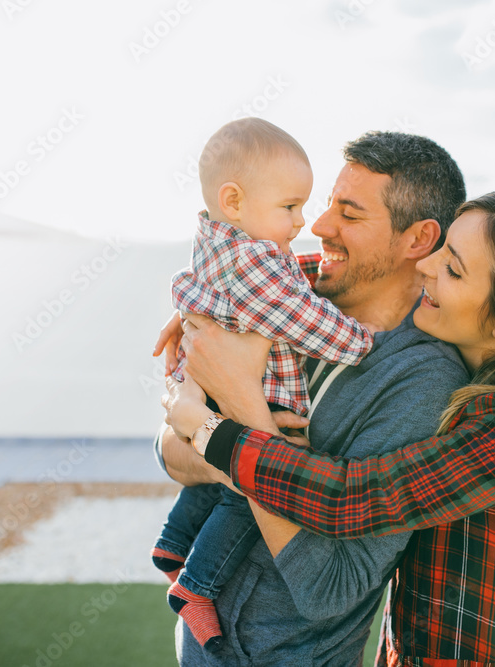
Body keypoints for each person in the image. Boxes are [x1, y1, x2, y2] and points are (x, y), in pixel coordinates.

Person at [165, 189, 495, 666]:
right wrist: (223, 299)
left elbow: (353, 496)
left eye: (453, 269)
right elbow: (325, 276)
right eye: (441, 250)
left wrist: (213, 428)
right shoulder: (471, 354)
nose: (425, 267)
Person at [154, 131, 470, 665]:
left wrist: (240, 408)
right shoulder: (289, 302)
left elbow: (330, 591)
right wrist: (212, 442)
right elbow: (168, 450)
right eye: (324, 204)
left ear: (419, 239)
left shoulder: (422, 381)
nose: (317, 226)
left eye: (349, 213)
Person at [152, 117, 377, 652]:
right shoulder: (259, 263)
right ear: (234, 200)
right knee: (249, 488)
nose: (303, 222)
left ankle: (174, 541)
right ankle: (196, 586)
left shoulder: (220, 239)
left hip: (205, 390)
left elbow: (286, 281)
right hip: (257, 393)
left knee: (213, 470)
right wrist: (363, 342)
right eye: (290, 207)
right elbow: (305, 317)